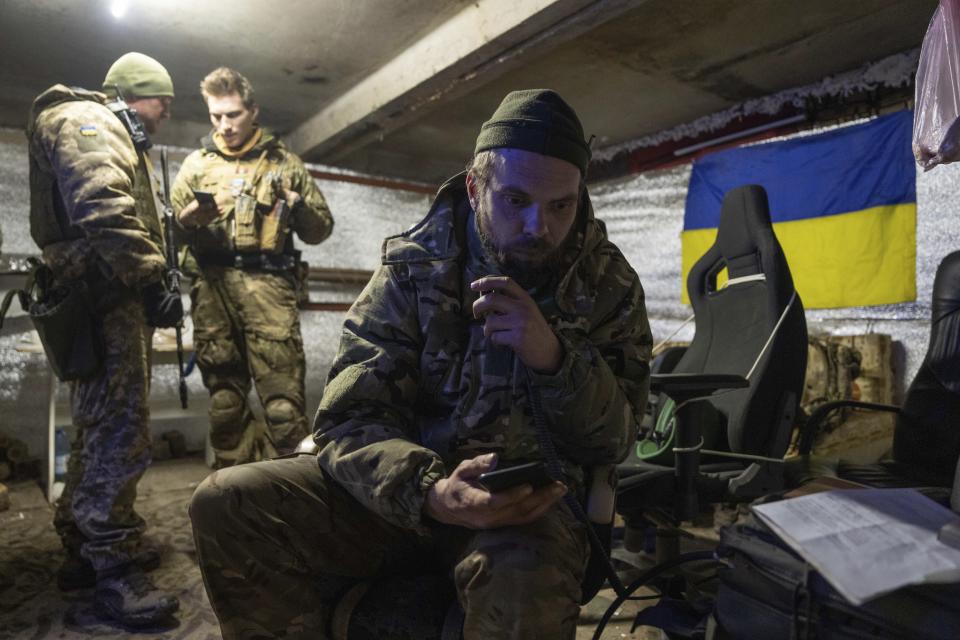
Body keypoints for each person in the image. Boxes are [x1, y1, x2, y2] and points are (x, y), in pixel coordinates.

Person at [190, 89, 651, 639]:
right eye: (516, 201)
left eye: (561, 206)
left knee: (522, 583)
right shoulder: (414, 270)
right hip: (408, 498)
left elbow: (616, 440)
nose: (539, 227)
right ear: (476, 187)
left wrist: (553, 358)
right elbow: (348, 420)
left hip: (524, 513)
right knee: (228, 502)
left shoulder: (608, 286)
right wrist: (430, 491)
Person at [26, 52, 182, 626]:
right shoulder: (90, 122)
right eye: (162, 100)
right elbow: (104, 207)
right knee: (120, 434)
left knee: (95, 430)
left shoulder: (96, 126)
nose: (166, 112)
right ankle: (114, 569)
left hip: (97, 299)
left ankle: (82, 549)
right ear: (139, 94)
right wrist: (150, 278)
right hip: (105, 300)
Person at [171, 67, 334, 467]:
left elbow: (320, 229)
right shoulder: (196, 165)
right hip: (213, 290)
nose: (224, 126)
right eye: (216, 117)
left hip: (269, 290)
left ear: (253, 111)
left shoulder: (284, 163)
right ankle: (235, 501)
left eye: (233, 115)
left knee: (282, 410)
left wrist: (294, 201)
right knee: (225, 405)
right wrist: (188, 218)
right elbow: (170, 232)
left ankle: (294, 502)